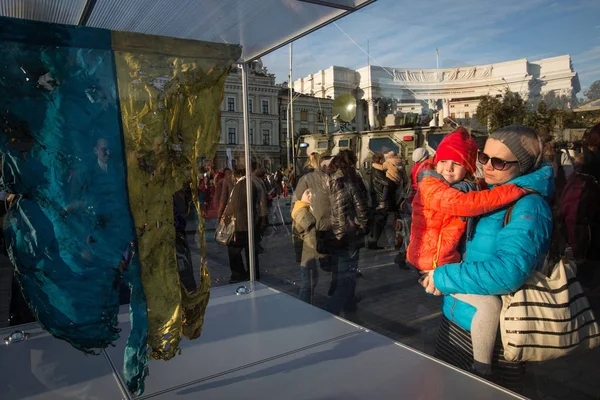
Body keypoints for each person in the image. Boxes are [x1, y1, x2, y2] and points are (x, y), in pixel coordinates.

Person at [421, 125, 552, 389]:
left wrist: (442, 275)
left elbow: (508, 272)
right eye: (484, 157)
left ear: (523, 165)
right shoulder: (488, 193)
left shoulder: (528, 204)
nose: (488, 166)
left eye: (499, 161)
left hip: (497, 337)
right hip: (458, 319)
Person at [407, 127, 528, 377]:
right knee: (488, 306)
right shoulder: (432, 185)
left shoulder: (461, 185)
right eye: (444, 161)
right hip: (432, 260)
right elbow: (466, 204)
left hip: (442, 258)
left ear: (468, 168)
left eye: (457, 163)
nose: (448, 168)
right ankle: (482, 367)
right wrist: (511, 190)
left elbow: (472, 193)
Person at [326, 150, 370, 315]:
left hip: (332, 234)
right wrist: (363, 227)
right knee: (348, 275)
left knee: (341, 272)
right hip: (348, 234)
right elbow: (362, 210)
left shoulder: (325, 183)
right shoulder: (351, 184)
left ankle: (349, 304)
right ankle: (332, 312)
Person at [293, 153, 332, 296]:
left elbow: (297, 199)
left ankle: (306, 306)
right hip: (324, 227)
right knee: (314, 273)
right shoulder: (328, 177)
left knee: (308, 275)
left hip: (312, 227)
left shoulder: (306, 179)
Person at [291, 189, 320, 304]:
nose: (310, 195)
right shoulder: (301, 211)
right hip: (307, 252)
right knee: (307, 282)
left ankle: (307, 303)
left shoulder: (305, 208)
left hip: (307, 251)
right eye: (307, 193)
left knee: (312, 280)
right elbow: (311, 233)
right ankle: (304, 305)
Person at [367, 152, 389, 250]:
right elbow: (386, 183)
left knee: (377, 221)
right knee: (379, 220)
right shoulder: (378, 171)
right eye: (383, 159)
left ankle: (374, 242)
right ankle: (374, 243)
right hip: (380, 199)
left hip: (377, 198)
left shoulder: (374, 170)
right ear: (380, 160)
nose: (384, 161)